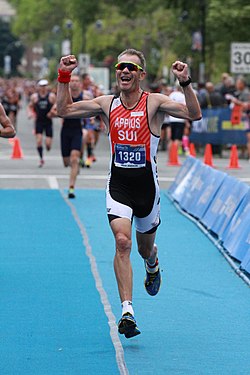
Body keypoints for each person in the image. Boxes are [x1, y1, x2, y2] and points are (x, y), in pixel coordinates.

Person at [56, 49, 201, 338]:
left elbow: (194, 115)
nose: (124, 71)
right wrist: (63, 76)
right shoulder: (106, 104)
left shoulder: (155, 103)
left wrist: (185, 83)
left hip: (148, 190)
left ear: (141, 75)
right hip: (119, 186)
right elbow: (64, 110)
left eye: (131, 68)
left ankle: (152, 262)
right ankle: (127, 311)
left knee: (143, 248)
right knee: (122, 242)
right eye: (121, 66)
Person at [51, 74, 83, 198]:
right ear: (70, 83)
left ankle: (71, 188)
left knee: (74, 158)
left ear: (80, 83)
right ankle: (74, 167)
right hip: (65, 131)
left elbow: (96, 109)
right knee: (66, 162)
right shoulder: (64, 96)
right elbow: (54, 110)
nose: (74, 83)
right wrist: (58, 113)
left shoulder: (85, 96)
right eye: (72, 81)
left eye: (77, 81)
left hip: (77, 131)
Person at [28, 79, 56, 167]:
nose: (43, 88)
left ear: (47, 87)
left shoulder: (51, 96)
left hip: (48, 122)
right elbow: (30, 107)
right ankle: (41, 159)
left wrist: (52, 112)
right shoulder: (34, 97)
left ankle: (47, 146)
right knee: (39, 141)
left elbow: (57, 105)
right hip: (39, 121)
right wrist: (30, 114)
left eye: (45, 86)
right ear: (38, 87)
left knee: (48, 145)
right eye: (41, 86)